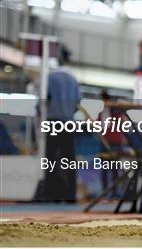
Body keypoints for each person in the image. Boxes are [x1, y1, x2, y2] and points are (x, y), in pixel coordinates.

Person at [43, 46, 81, 202]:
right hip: (68, 122)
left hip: (52, 122)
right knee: (69, 160)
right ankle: (70, 195)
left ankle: (52, 195)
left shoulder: (49, 77)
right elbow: (78, 102)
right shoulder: (73, 79)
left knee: (51, 160)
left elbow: (45, 100)